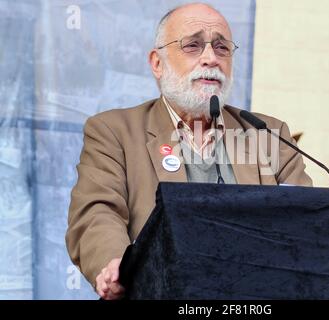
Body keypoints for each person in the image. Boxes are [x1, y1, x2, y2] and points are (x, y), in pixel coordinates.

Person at [66, 2, 312, 300]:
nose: (211, 58)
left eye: (222, 48)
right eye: (193, 45)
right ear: (158, 63)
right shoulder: (114, 131)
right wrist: (116, 264)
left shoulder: (268, 135)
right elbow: (98, 212)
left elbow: (304, 223)